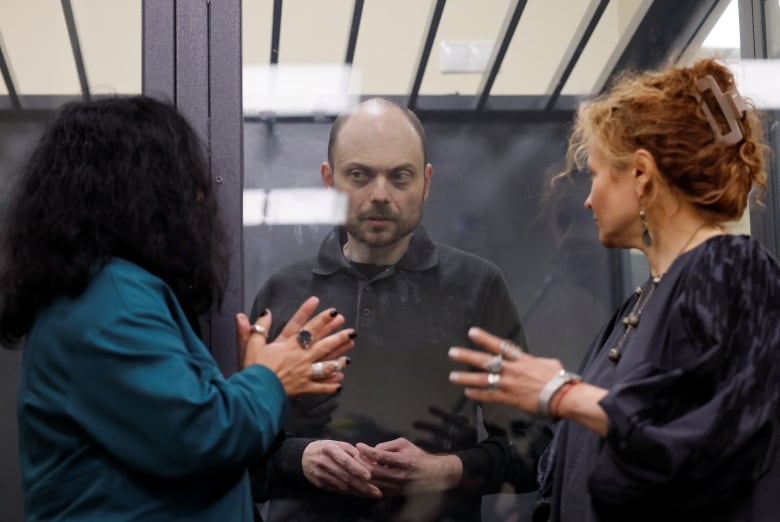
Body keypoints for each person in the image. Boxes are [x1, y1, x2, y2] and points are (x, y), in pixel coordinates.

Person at [448, 58, 780, 522]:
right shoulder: (641, 302)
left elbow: (713, 436)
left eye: (596, 173)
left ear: (641, 175)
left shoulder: (729, 268)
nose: (587, 198)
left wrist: (562, 394)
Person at [0, 95, 356, 521]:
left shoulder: (104, 292)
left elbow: (171, 430)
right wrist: (270, 378)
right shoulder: (112, 298)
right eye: (183, 180)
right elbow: (202, 434)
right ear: (140, 190)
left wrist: (252, 386)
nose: (201, 197)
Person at [250, 97, 548, 521]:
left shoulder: (477, 288)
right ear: (328, 179)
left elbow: (535, 446)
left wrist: (446, 470)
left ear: (426, 182)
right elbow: (236, 449)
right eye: (359, 175)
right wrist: (299, 458)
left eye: (400, 177)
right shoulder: (283, 294)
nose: (380, 195)